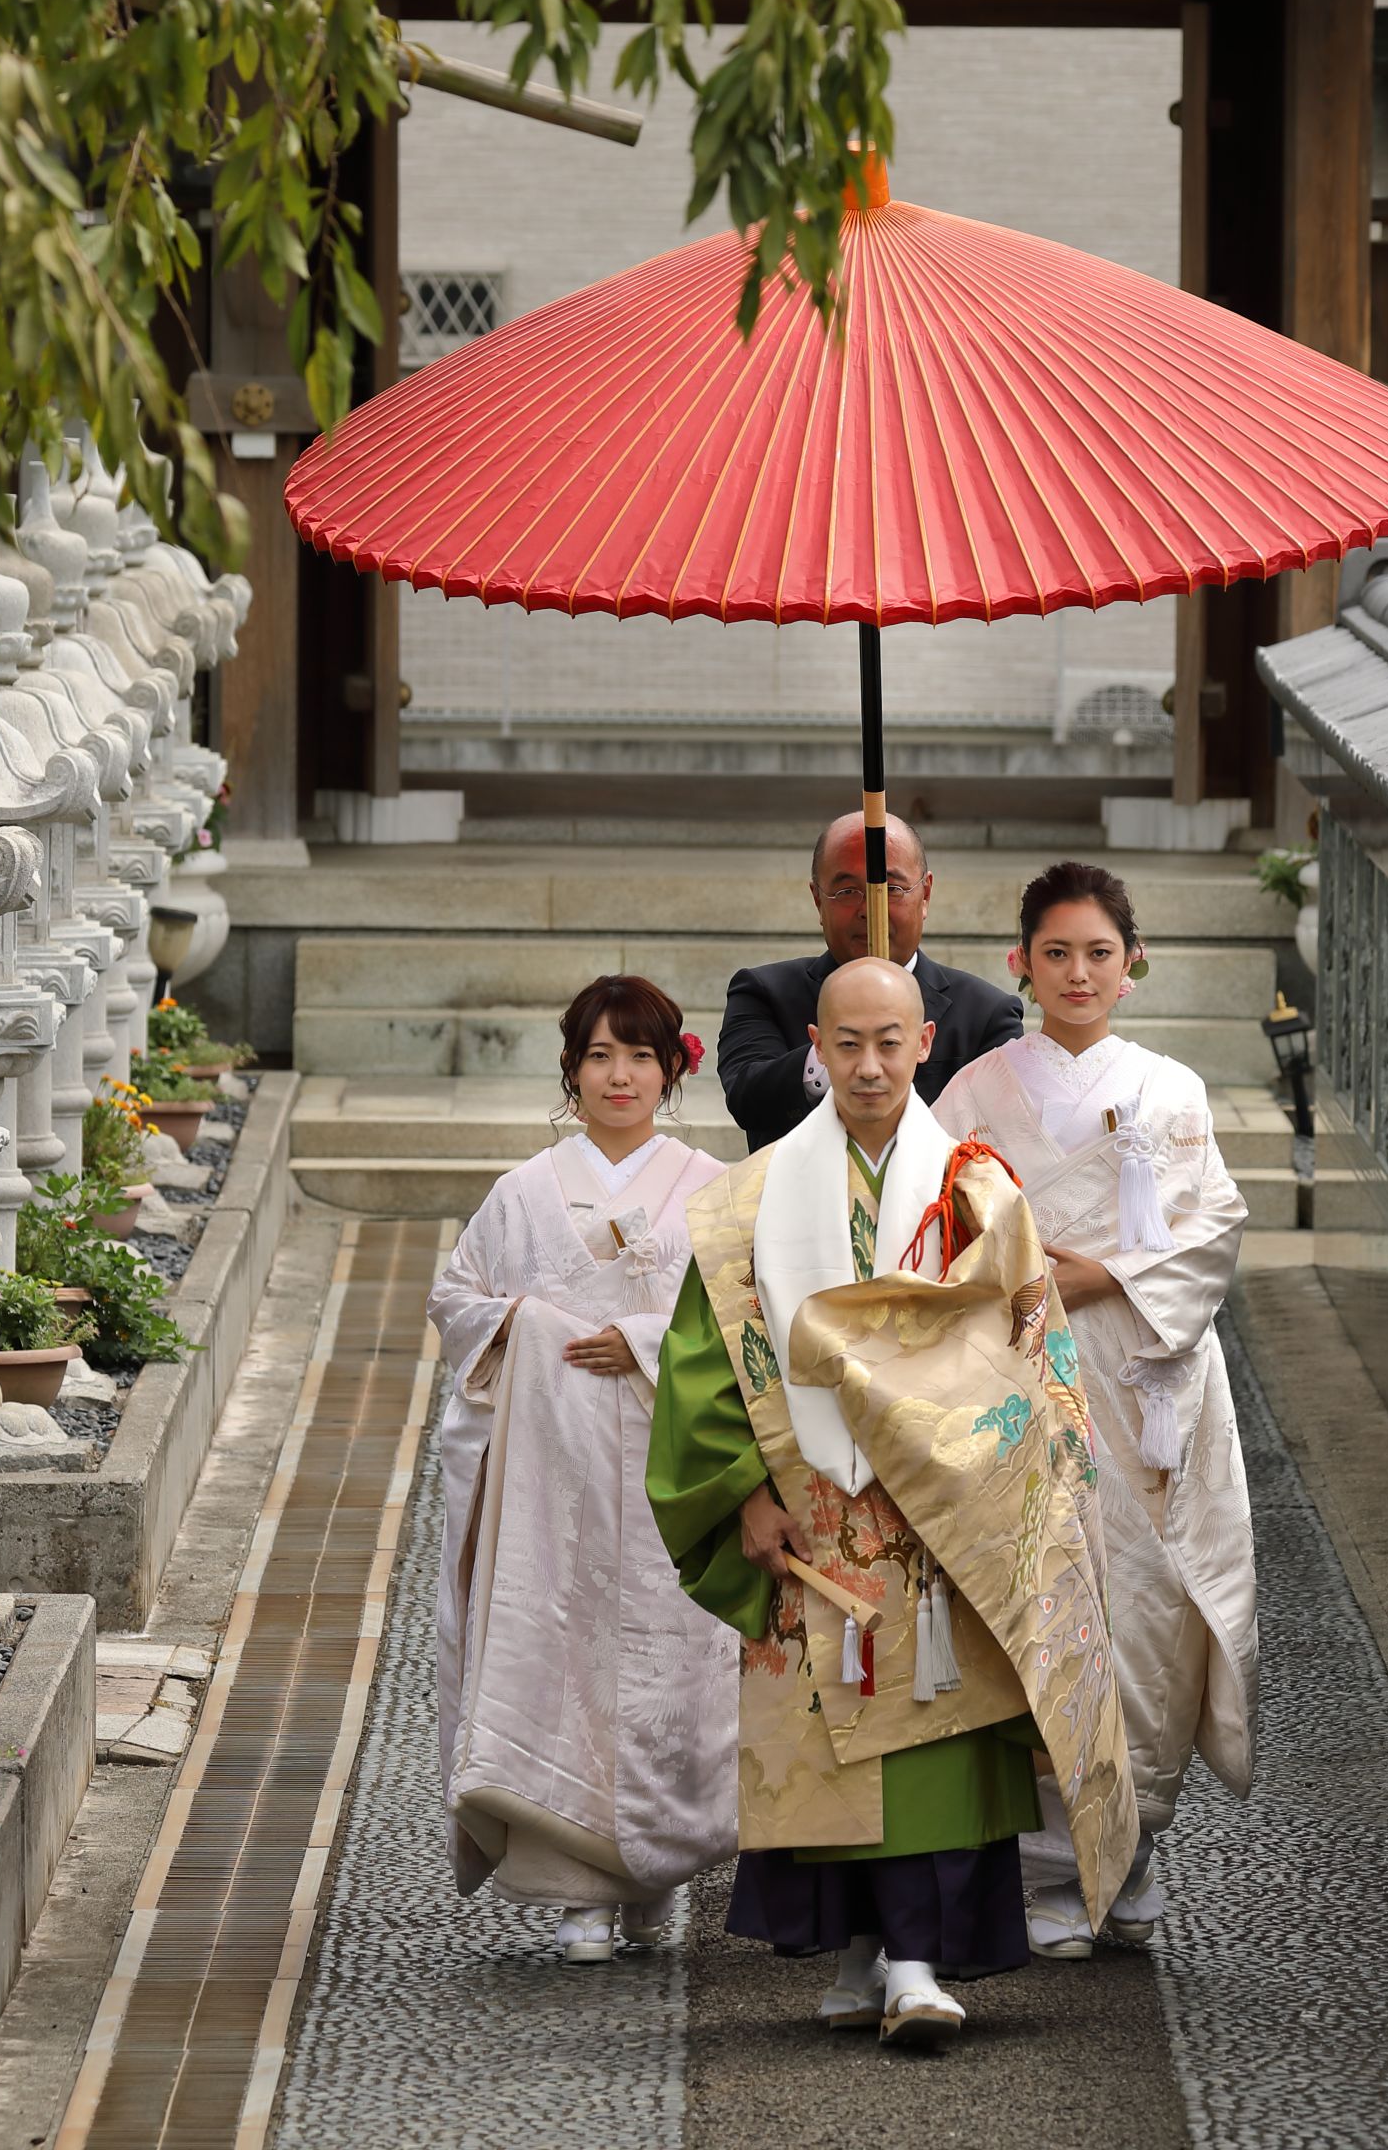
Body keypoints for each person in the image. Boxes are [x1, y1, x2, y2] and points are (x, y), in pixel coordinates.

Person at [649, 956, 1135, 2048]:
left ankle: (915, 1959)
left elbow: (1030, 1343)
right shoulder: (746, 1203)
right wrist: (740, 1493)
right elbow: (705, 1355)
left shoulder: (978, 1186)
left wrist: (1008, 1475)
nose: (868, 1064)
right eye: (846, 1042)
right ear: (812, 1048)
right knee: (827, 1745)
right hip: (812, 1510)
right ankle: (860, 1949)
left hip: (943, 1515)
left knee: (933, 1739)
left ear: (926, 1046)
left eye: (890, 1041)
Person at [931, 862, 1256, 1960]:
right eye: (1056, 952)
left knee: (1146, 1606)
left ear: (1134, 962)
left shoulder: (1174, 1088)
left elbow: (1212, 1229)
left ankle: (1132, 1844)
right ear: (1021, 961)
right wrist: (1033, 1282)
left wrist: (1104, 1276)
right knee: (1034, 1597)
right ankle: (1055, 1869)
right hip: (1022, 1371)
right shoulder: (972, 1093)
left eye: (1099, 952)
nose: (1078, 972)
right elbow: (930, 1237)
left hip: (1145, 1375)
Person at [428, 975, 744, 1963]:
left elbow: (750, 1315)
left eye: (641, 1055)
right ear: (571, 1070)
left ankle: (654, 1876)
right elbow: (458, 1300)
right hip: (548, 1482)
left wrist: (649, 1342)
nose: (620, 1075)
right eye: (600, 1055)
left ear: (672, 1071)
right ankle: (581, 1890)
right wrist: (526, 1325)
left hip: (670, 1471)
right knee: (559, 1655)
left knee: (668, 1664)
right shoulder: (523, 1192)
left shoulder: (710, 1187)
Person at [717, 812, 1025, 1152]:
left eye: (891, 889)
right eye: (847, 891)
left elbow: (1001, 1140)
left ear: (925, 894)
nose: (869, 909)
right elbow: (748, 1099)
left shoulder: (985, 1014)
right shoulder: (764, 992)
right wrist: (835, 1049)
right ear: (818, 899)